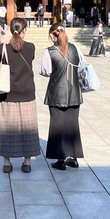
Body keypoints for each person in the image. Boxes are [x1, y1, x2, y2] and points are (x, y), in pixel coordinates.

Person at [0, 17, 39, 173]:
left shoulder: (3, 48)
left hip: (7, 94)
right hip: (27, 93)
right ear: (24, 30)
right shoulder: (30, 47)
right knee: (27, 128)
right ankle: (27, 162)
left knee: (7, 128)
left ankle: (7, 163)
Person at [40, 23, 84, 170]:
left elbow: (45, 71)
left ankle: (60, 159)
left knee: (57, 126)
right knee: (72, 125)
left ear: (53, 36)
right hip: (74, 92)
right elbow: (81, 66)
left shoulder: (50, 51)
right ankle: (74, 158)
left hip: (56, 93)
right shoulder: (75, 48)